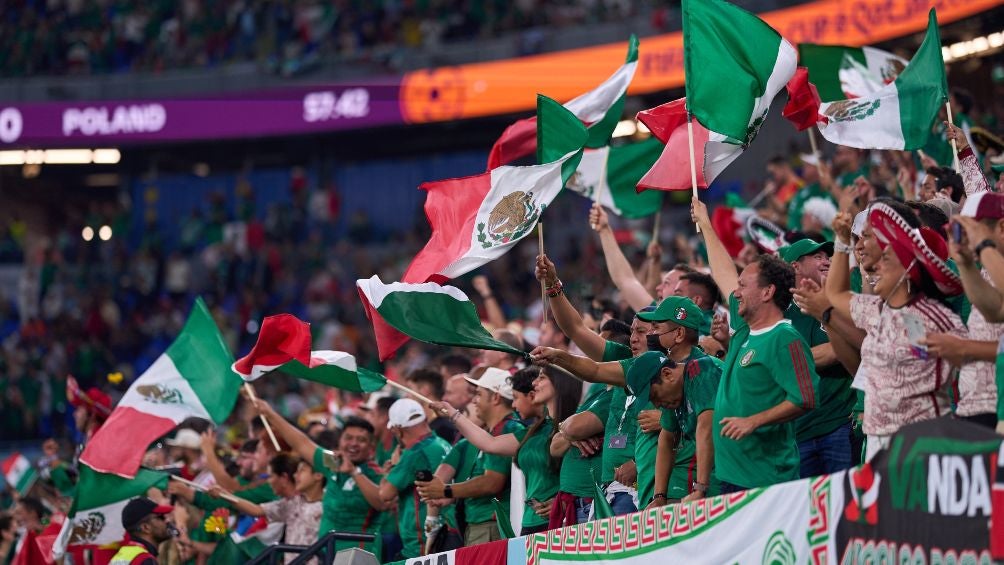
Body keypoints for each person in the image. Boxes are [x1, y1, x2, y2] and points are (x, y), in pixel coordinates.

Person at [692, 197, 819, 492]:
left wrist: (754, 421)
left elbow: (806, 398)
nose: (735, 293)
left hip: (765, 480)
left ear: (767, 292)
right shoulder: (743, 333)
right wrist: (706, 224)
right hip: (731, 476)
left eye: (743, 286)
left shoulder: (785, 338)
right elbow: (723, 273)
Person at [825, 201, 967, 460]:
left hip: (921, 445)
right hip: (878, 442)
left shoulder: (929, 319)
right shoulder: (878, 310)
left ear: (908, 269)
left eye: (886, 260)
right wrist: (841, 242)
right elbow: (835, 294)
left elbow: (970, 365)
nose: (876, 268)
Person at [429, 366, 579, 535]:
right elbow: (490, 443)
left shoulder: (578, 426)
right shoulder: (535, 431)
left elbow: (586, 471)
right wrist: (452, 414)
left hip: (561, 521)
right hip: (529, 523)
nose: (534, 383)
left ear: (560, 382)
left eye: (542, 378)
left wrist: (567, 499)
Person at [251, 400, 386, 556]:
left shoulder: (375, 473)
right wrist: (270, 414)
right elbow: (301, 443)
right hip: (327, 553)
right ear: (340, 441)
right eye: (348, 438)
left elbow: (381, 502)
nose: (353, 444)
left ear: (371, 447)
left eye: (361, 440)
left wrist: (354, 472)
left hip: (359, 555)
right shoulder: (333, 462)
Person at [415, 369, 523, 544]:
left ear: (496, 398)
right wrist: (451, 495)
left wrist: (446, 490)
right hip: (482, 527)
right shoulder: (495, 432)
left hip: (491, 528)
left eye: (479, 394)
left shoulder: (508, 429)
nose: (473, 401)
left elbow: (491, 482)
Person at [780, 239, 856, 478]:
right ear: (795, 266)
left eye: (827, 257)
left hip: (839, 422)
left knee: (847, 497)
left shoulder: (841, 301)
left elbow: (846, 349)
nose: (827, 262)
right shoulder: (779, 313)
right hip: (797, 432)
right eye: (818, 257)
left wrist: (790, 361)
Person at [934, 192, 1004, 429]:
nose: (967, 238)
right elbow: (995, 312)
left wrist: (963, 348)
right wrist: (965, 262)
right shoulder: (989, 268)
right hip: (989, 408)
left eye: (972, 230)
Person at [371, 398, 452, 560]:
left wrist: (393, 467)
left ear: (397, 430)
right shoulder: (442, 444)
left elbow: (385, 494)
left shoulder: (415, 453)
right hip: (447, 533)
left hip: (420, 544)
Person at [211, 454, 324, 564]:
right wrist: (224, 495)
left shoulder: (327, 508)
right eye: (296, 471)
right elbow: (257, 510)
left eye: (302, 471)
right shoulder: (293, 503)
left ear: (318, 475)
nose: (295, 475)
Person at [112, 497, 174, 564]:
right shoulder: (145, 559)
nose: (167, 520)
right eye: (161, 517)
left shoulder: (122, 555)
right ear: (145, 527)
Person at [407, 368, 460, 443]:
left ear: (425, 390)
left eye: (409, 388)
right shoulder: (429, 424)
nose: (406, 395)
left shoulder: (444, 429)